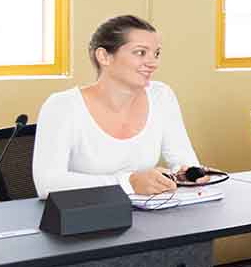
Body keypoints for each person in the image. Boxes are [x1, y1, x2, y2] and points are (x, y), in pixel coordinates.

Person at [33, 15, 201, 199]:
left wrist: (190, 174)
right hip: (84, 213)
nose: (153, 63)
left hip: (148, 212)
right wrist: (129, 183)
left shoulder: (161, 96)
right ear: (104, 56)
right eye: (140, 52)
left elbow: (183, 161)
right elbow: (47, 184)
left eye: (156, 54)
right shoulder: (62, 106)